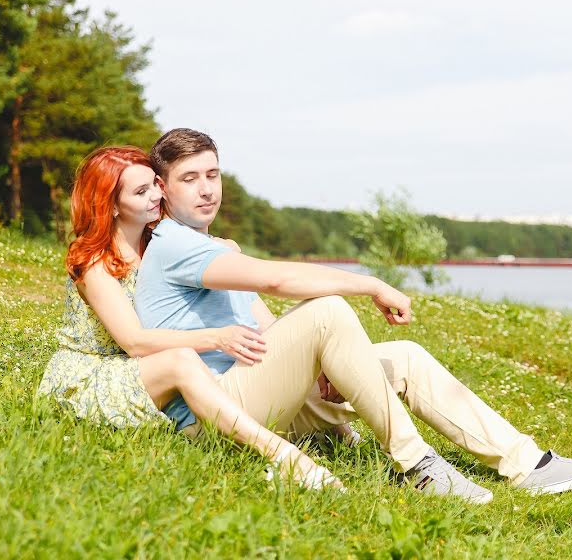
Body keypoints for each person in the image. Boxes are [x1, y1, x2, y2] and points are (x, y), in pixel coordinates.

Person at [134, 128, 572, 502]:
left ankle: (529, 464)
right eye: (189, 179)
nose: (205, 190)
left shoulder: (215, 247)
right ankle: (417, 465)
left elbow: (264, 324)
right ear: (162, 187)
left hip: (261, 394)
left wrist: (319, 363)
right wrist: (370, 283)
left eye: (212, 175)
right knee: (326, 308)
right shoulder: (175, 244)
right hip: (217, 413)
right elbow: (278, 282)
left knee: (405, 357)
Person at [37, 146, 344, 489]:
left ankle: (335, 429)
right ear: (110, 205)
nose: (157, 195)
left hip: (146, 367)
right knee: (182, 360)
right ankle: (285, 457)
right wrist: (216, 337)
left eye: (154, 184)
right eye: (141, 192)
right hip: (96, 372)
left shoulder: (159, 243)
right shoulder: (96, 261)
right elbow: (134, 342)